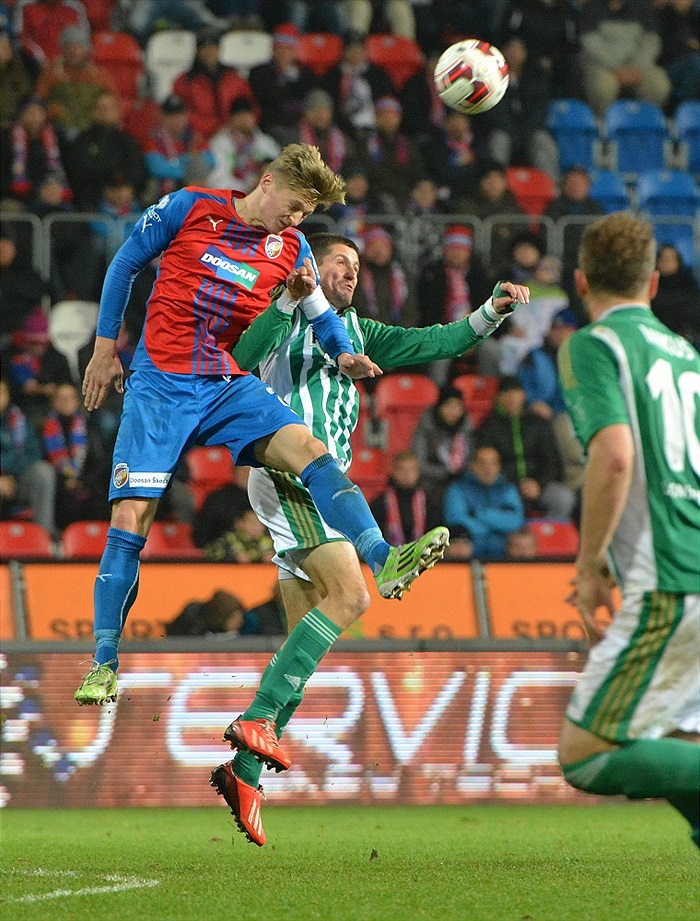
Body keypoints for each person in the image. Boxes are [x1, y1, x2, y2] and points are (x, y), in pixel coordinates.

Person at [73, 144, 450, 712]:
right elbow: (125, 264)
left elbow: (323, 315)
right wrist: (106, 349)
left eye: (305, 213)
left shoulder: (292, 247)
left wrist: (344, 353)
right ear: (267, 182)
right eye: (293, 206)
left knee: (308, 447)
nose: (296, 220)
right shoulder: (188, 208)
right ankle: (104, 661)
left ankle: (382, 557)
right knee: (131, 517)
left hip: (225, 381)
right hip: (161, 384)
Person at [209, 230, 529, 845]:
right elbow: (243, 357)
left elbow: (439, 339)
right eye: (339, 262)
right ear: (311, 264)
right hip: (288, 471)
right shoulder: (283, 312)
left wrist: (491, 311)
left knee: (305, 650)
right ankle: (255, 720)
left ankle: (244, 771)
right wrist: (285, 300)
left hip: (324, 490)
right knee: (354, 595)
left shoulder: (360, 331)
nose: (351, 273)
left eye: (357, 267)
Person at [556, 211, 700, 849]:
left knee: (585, 752)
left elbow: (614, 455)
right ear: (653, 284)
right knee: (668, 740)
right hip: (690, 561)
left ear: (581, 282)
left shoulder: (595, 345)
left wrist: (589, 564)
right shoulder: (688, 356)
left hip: (667, 578)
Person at [474, 375, 576, 521]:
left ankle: (549, 539)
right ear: (499, 397)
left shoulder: (538, 423)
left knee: (563, 498)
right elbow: (486, 463)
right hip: (504, 487)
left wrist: (538, 484)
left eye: (515, 393)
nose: (511, 398)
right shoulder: (489, 427)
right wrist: (514, 485)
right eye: (506, 393)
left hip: (539, 485)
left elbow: (552, 461)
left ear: (523, 395)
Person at [443, 445, 525, 561]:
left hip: (505, 552)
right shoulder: (457, 489)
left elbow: (516, 520)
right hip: (470, 550)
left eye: (493, 463)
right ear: (473, 466)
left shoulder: (508, 490)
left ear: (499, 467)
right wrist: (494, 526)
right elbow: (456, 520)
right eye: (482, 463)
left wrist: (480, 515)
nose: (488, 468)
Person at [0, 376, 57, 536]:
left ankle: (44, 537)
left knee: (43, 471)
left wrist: (11, 475)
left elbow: (33, 453)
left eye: (2, 393)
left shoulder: (19, 420)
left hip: (18, 480)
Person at [370, 450, 443, 544]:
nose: (407, 475)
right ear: (393, 471)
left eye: (412, 470)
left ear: (418, 472)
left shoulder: (429, 502)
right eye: (402, 470)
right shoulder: (379, 503)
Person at [165, 589, 248, 637]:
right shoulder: (194, 623)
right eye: (235, 617)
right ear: (222, 617)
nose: (241, 622)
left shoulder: (241, 632)